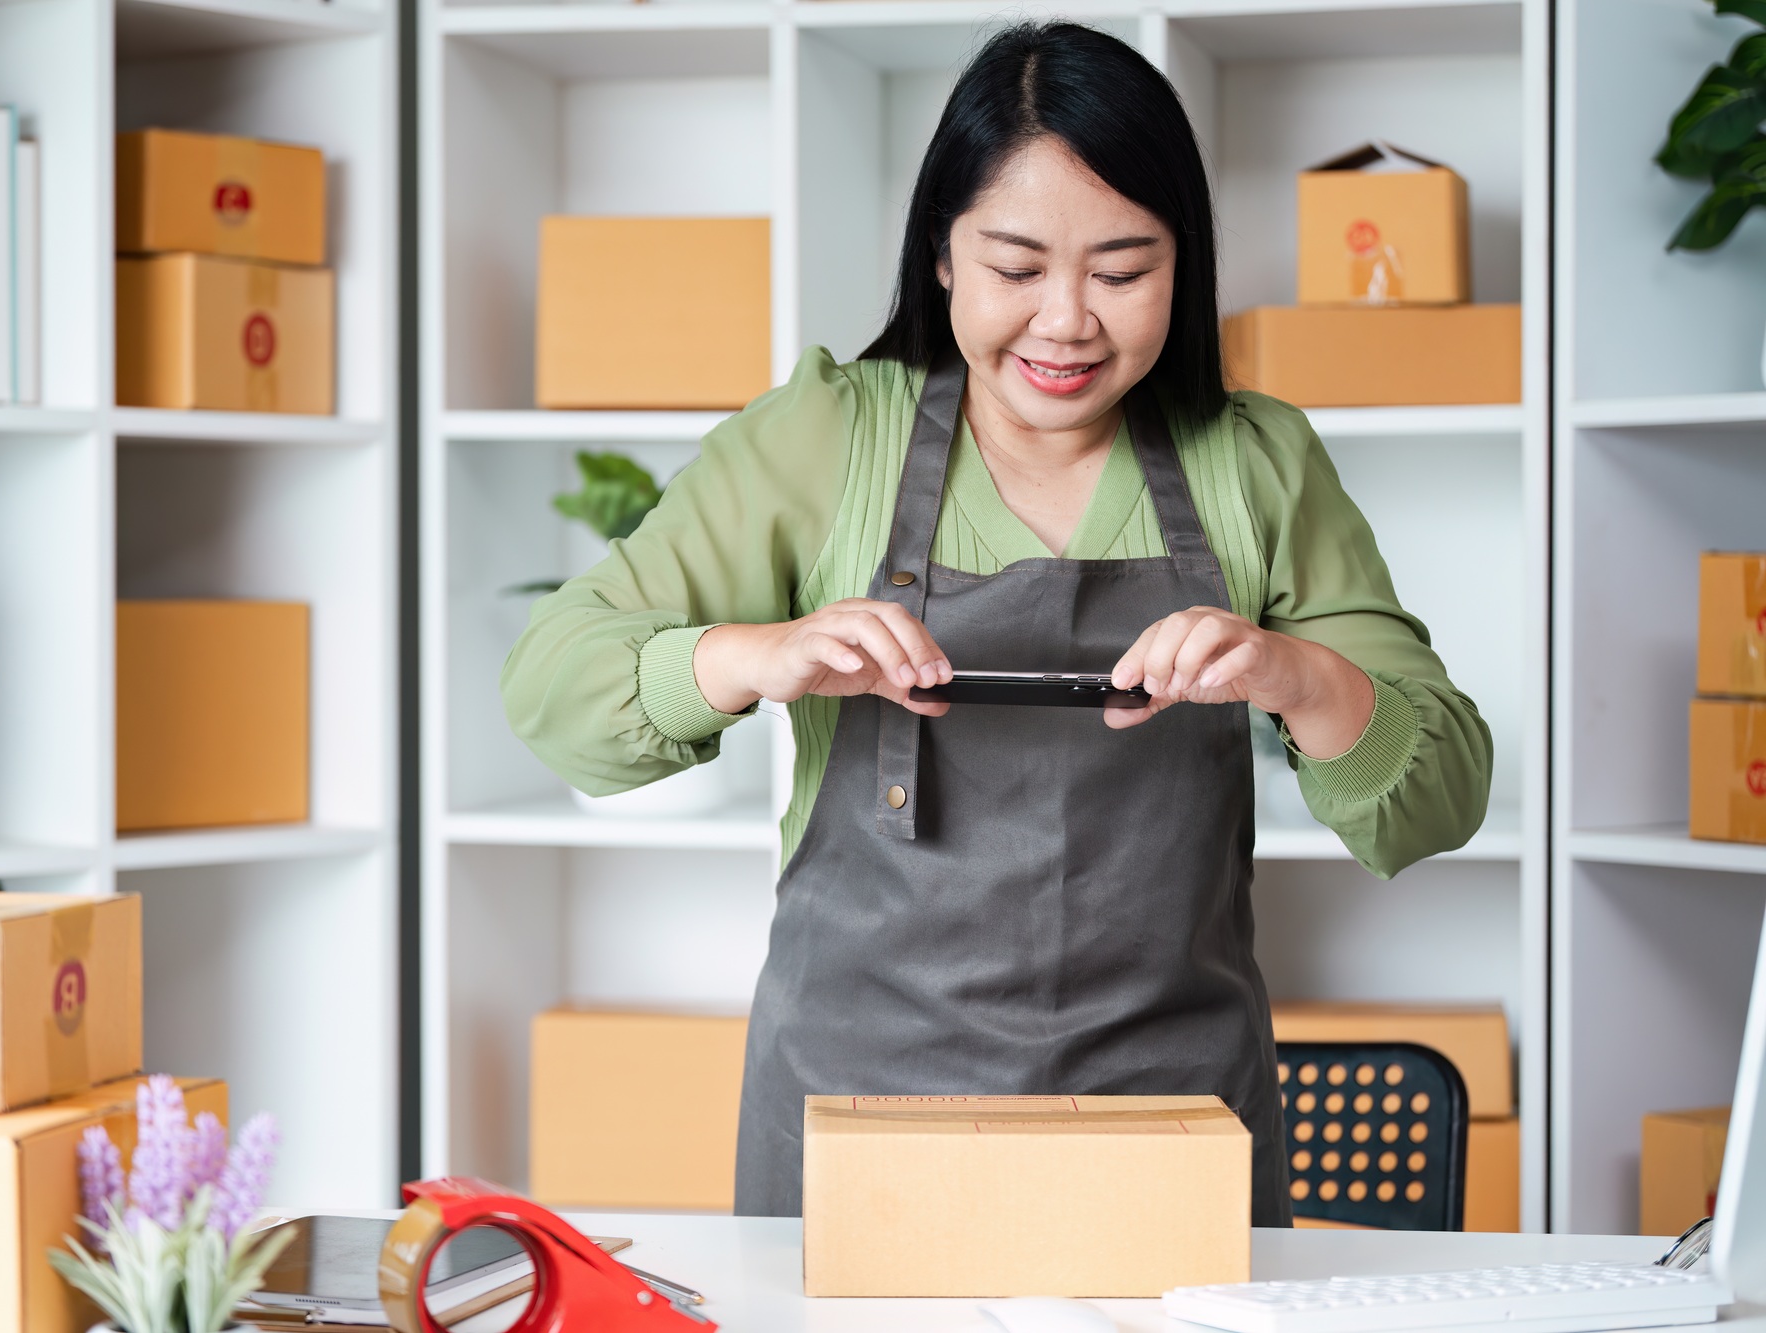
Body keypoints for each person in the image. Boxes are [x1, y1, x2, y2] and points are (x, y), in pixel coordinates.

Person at [500, 21, 1491, 1223]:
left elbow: (1436, 799)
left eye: (1121, 270)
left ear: (1184, 266)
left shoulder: (1256, 462)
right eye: (1016, 268)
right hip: (853, 1128)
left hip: (1171, 1130)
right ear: (939, 256)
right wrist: (756, 655)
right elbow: (552, 690)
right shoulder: (822, 437)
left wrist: (1295, 676)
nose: (1066, 320)